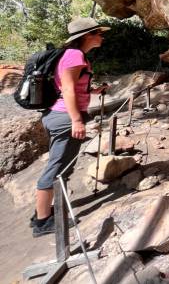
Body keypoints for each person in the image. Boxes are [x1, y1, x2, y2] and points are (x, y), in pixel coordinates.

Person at [32, 17, 110, 237]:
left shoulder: (73, 55)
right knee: (57, 169)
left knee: (60, 166)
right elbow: (67, 90)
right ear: (87, 35)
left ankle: (44, 210)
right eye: (98, 33)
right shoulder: (75, 55)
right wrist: (76, 120)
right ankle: (42, 221)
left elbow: (72, 87)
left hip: (58, 115)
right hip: (65, 118)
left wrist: (93, 91)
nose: (101, 37)